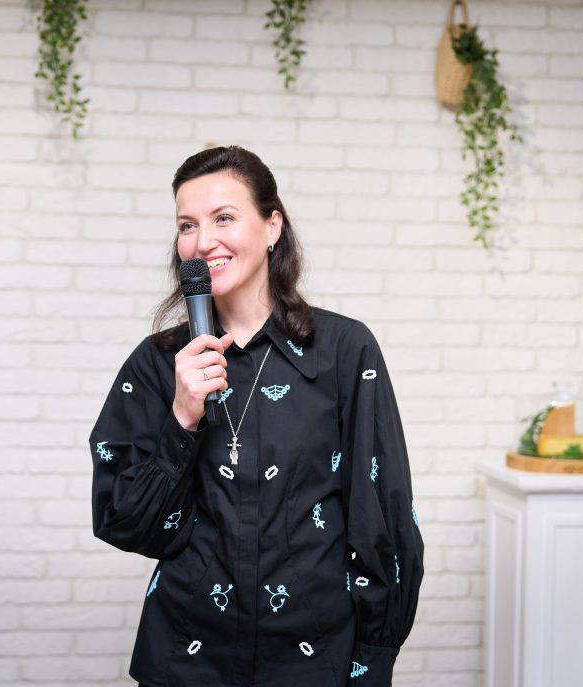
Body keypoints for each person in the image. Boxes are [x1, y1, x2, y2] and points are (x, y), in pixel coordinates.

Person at [90, 146, 424, 687]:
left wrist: (374, 655)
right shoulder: (158, 364)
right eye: (187, 225)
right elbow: (123, 522)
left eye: (223, 218)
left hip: (315, 657)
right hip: (186, 657)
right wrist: (182, 419)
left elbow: (381, 512)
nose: (203, 242)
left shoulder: (344, 350)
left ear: (272, 226)